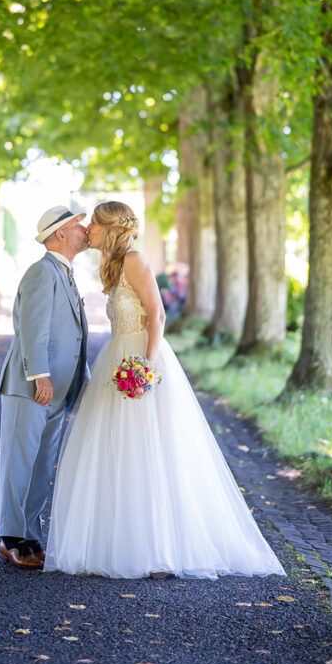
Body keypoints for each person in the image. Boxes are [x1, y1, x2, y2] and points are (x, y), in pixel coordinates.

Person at [44, 200, 285, 580]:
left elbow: (157, 315)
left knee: (150, 451)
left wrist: (145, 365)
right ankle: (118, 544)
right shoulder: (114, 265)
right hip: (117, 358)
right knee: (118, 452)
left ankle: (159, 551)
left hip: (141, 359)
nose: (87, 227)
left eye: (93, 222)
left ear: (111, 228)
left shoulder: (136, 260)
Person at [0, 205, 90, 569]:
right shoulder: (41, 271)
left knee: (40, 463)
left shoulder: (65, 273)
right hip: (31, 386)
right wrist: (41, 375)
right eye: (77, 225)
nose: (84, 230)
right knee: (19, 461)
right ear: (59, 234)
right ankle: (11, 538)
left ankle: (30, 533)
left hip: (58, 390)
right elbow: (33, 329)